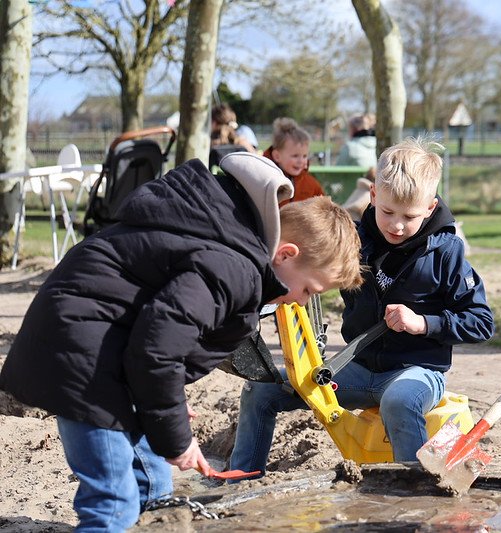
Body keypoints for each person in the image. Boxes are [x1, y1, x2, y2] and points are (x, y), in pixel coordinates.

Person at [0, 152, 363, 531]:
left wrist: (166, 402)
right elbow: (156, 353)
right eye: (308, 289)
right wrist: (177, 440)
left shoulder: (227, 242)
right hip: (83, 360)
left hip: (102, 349)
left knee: (156, 486)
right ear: (287, 254)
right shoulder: (233, 269)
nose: (303, 301)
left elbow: (157, 338)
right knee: (113, 503)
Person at [230, 136, 494, 474]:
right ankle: (241, 479)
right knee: (261, 390)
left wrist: (423, 323)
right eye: (387, 211)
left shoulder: (447, 253)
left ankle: (409, 491)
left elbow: (481, 322)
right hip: (355, 369)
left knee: (398, 400)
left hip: (417, 372)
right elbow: (303, 267)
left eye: (409, 216)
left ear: (430, 208)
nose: (396, 225)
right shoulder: (355, 240)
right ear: (373, 196)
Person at [264, 117, 325, 205]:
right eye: (295, 156)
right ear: (277, 156)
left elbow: (324, 208)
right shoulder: (267, 182)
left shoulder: (310, 184)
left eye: (304, 156)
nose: (301, 161)